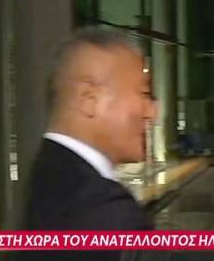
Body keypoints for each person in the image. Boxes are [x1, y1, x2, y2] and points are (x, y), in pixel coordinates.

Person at [25, 26, 156, 230]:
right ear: (89, 99)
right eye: (143, 93)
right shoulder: (107, 212)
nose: (151, 112)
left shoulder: (45, 175)